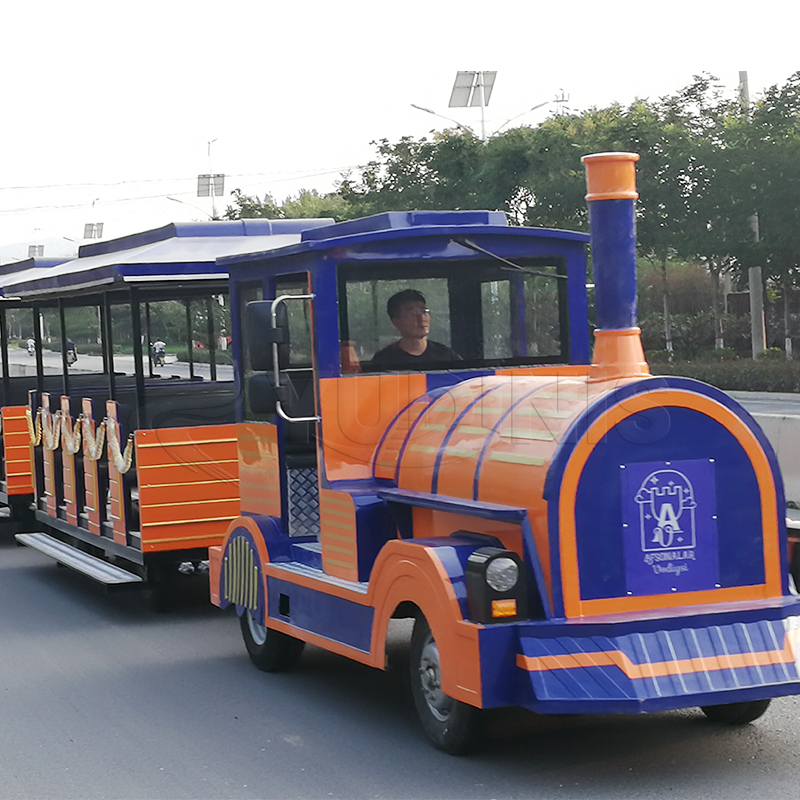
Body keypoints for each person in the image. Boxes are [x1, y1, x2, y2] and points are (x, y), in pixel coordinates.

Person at [370, 289, 461, 367]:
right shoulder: (384, 360)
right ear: (396, 321)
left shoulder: (446, 355)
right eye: (412, 313)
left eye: (424, 311)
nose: (421, 318)